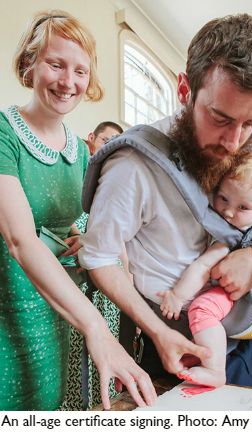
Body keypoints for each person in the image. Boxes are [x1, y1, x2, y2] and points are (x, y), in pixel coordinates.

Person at [79, 13, 252, 391]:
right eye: (220, 117)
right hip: (180, 348)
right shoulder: (133, 167)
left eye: (251, 123)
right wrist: (157, 333)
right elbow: (98, 258)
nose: (234, 142)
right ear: (185, 89)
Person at [0, 10, 156, 410]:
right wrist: (97, 327)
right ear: (29, 64)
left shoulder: (79, 154)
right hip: (8, 311)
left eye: (81, 71)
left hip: (58, 311)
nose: (68, 81)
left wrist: (81, 237)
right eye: (56, 64)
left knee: (46, 407)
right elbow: (19, 240)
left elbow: (78, 225)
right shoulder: (4, 133)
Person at [158, 149, 252, 388]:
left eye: (242, 208)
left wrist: (177, 296)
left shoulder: (231, 234)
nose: (229, 212)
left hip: (251, 302)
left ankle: (215, 369)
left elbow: (203, 266)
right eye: (223, 198)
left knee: (202, 308)